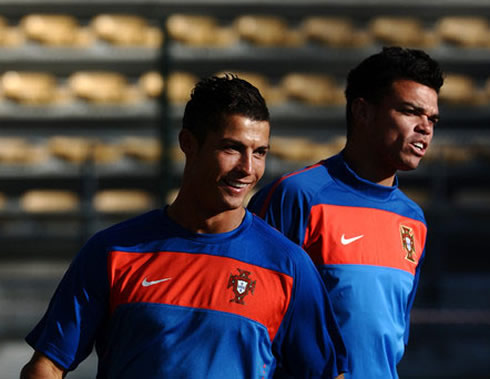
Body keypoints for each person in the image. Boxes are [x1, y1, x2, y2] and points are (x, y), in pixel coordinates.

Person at [21, 75, 347, 379]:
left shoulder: (289, 266)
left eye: (259, 152)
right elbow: (47, 365)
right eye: (231, 148)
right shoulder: (114, 251)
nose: (247, 169)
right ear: (188, 143)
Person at [248, 46, 444, 379]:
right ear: (363, 112)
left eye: (432, 118)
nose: (425, 127)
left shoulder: (413, 220)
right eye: (411, 112)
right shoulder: (298, 197)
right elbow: (248, 319)